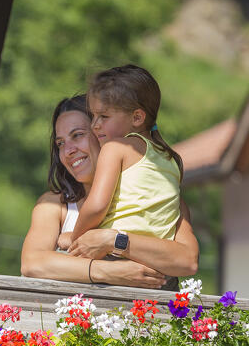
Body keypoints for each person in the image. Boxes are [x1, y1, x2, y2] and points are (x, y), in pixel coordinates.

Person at [21, 96, 198, 288]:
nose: (68, 151)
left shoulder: (164, 201)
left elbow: (187, 260)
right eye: (60, 143)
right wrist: (107, 272)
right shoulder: (54, 204)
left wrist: (113, 240)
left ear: (103, 133)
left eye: (78, 135)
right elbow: (32, 263)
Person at [62, 65, 182, 259]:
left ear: (136, 117)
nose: (94, 125)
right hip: (153, 260)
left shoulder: (115, 149)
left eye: (104, 116)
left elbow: (96, 207)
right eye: (93, 115)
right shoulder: (171, 159)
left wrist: (77, 239)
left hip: (114, 256)